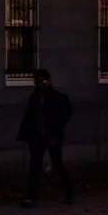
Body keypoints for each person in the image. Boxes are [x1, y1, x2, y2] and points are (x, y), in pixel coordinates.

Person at [18, 68, 75, 206]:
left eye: (40, 81)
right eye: (36, 81)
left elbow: (62, 117)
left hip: (52, 136)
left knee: (57, 163)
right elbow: (30, 117)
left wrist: (54, 134)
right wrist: (28, 134)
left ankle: (70, 192)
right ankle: (32, 197)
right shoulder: (35, 97)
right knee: (35, 165)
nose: (37, 84)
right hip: (38, 136)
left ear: (47, 82)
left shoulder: (56, 97)